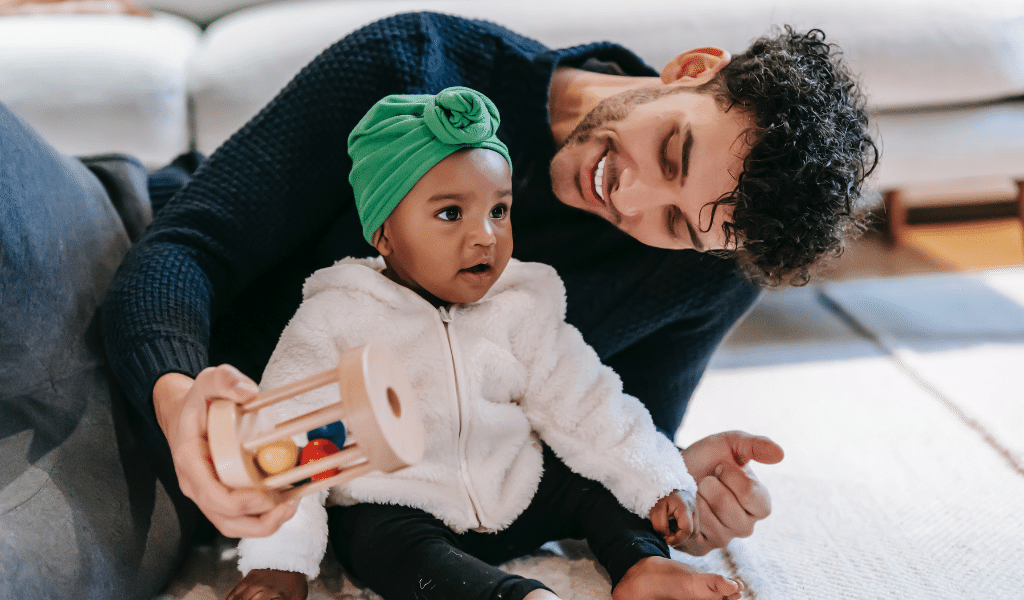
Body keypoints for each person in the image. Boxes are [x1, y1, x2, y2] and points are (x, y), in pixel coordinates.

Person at [0, 10, 874, 600]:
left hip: (196, 476)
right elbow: (190, 249)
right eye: (672, 151)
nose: (633, 198)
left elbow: (562, 454)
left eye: (679, 224)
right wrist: (178, 396)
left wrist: (669, 485)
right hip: (122, 256)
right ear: (691, 72)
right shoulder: (419, 65)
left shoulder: (703, 274)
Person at [227, 86, 744, 600]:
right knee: (379, 545)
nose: (486, 236)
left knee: (596, 475)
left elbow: (584, 399)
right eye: (451, 214)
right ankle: (507, 594)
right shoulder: (337, 313)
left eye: (498, 211)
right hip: (403, 505)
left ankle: (643, 566)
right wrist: (278, 564)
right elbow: (288, 439)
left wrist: (658, 477)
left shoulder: (522, 303)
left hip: (513, 489)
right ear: (384, 233)